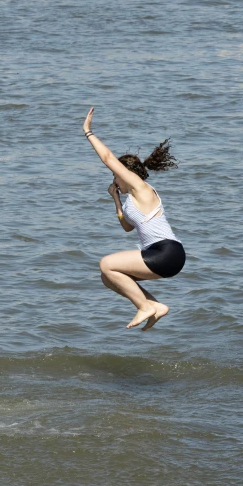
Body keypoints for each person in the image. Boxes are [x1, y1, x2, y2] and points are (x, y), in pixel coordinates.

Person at [83, 108, 186, 330]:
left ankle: (144, 307)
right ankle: (154, 306)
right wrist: (116, 200)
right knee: (108, 277)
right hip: (159, 254)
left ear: (124, 174)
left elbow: (107, 158)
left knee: (106, 263)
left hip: (167, 252)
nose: (114, 181)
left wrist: (88, 132)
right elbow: (127, 227)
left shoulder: (141, 188)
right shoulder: (132, 200)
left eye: (115, 176)